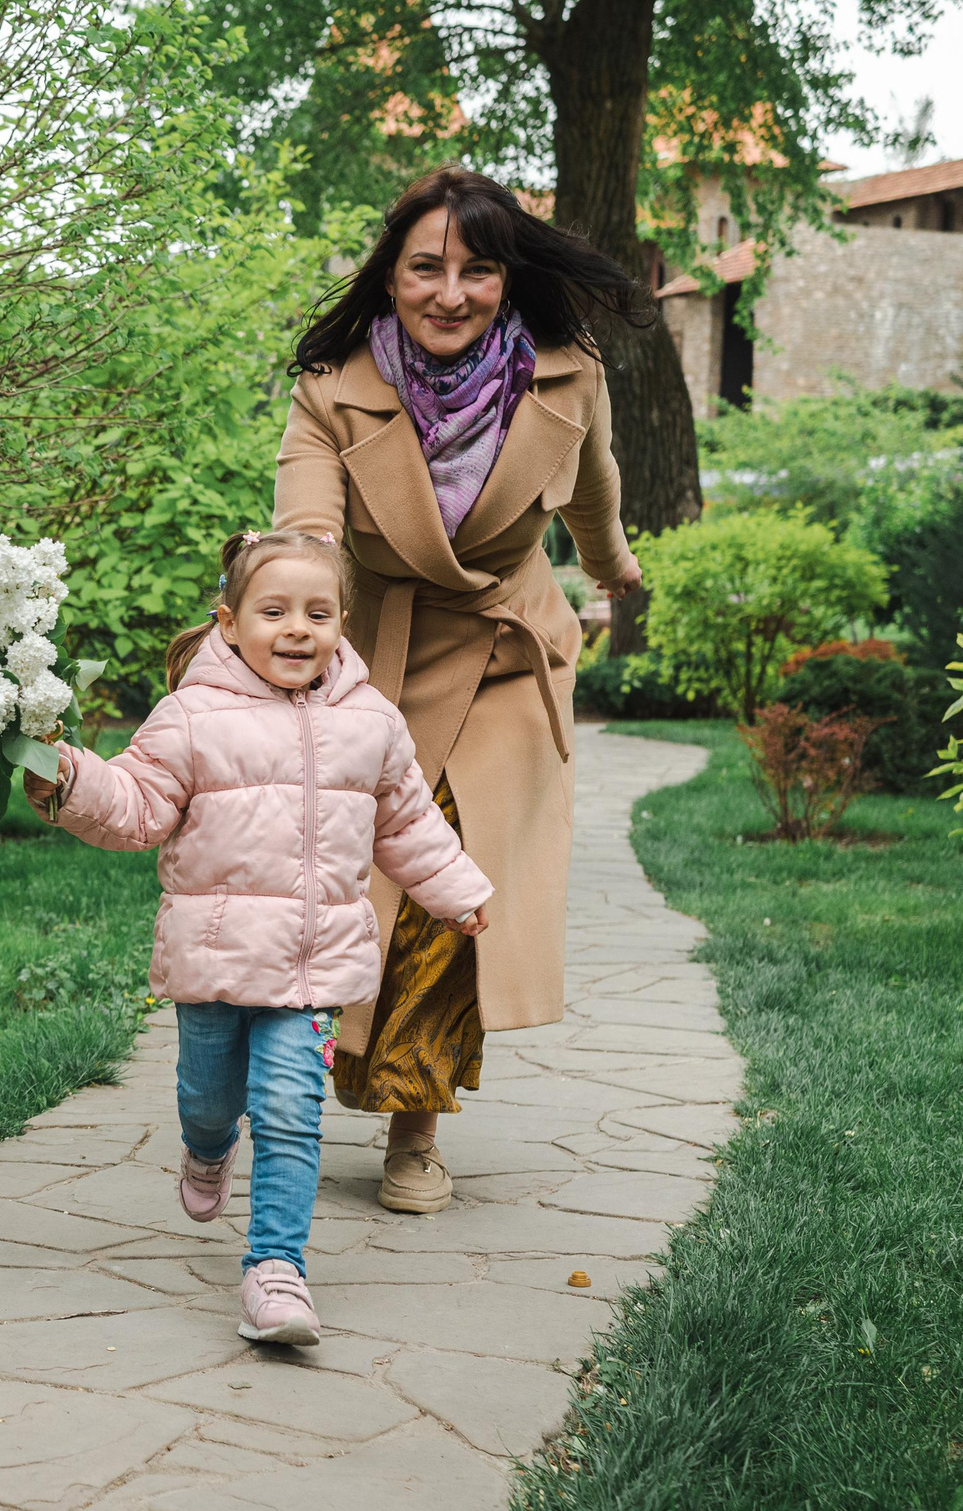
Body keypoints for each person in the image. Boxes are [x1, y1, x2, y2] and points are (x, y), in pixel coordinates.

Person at [273, 165, 654, 1215]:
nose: (450, 292)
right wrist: (292, 610)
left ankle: (413, 1128)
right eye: (426, 267)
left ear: (505, 277)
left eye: (476, 270)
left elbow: (593, 490)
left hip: (502, 654)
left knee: (453, 893)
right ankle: (296, 1092)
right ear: (389, 277)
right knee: (358, 892)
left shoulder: (565, 374)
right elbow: (307, 523)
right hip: (378, 656)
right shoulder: (332, 384)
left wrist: (613, 569)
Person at [26, 530, 492, 1344]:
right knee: (209, 1099)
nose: (297, 628)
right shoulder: (191, 717)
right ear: (230, 620)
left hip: (311, 970)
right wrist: (69, 777)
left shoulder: (371, 721)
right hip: (214, 961)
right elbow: (136, 805)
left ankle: (276, 1269)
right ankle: (206, 1150)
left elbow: (408, 820)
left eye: (318, 612)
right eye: (273, 610)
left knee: (288, 1109)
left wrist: (455, 891)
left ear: (344, 621)